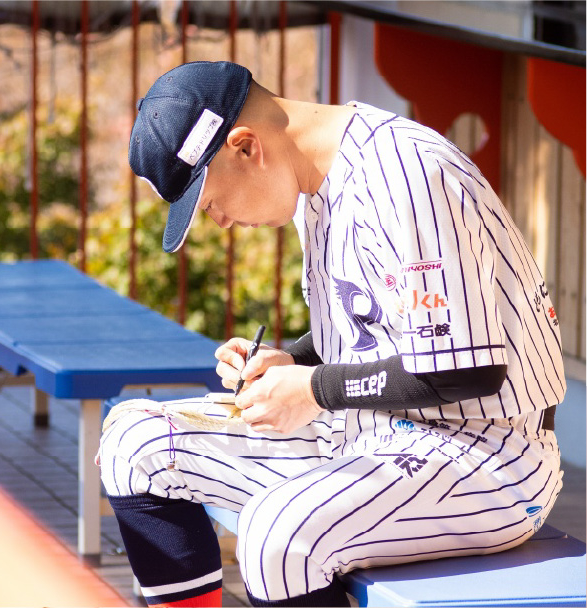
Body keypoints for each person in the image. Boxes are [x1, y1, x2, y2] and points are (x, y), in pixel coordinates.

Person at [98, 61, 565, 607]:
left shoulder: (407, 174)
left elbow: (463, 370)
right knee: (135, 440)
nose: (218, 220)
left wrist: (313, 389)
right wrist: (288, 362)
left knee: (278, 535)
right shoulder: (315, 182)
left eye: (207, 201)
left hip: (486, 455)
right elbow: (370, 326)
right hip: (366, 434)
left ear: (246, 147)